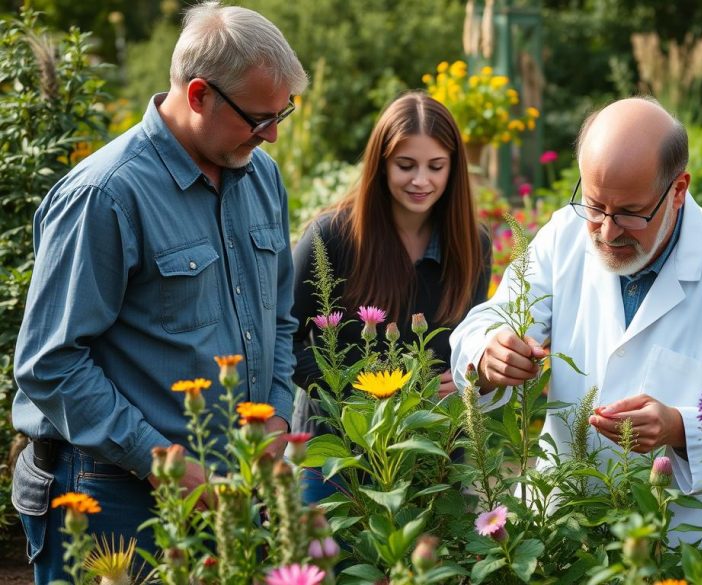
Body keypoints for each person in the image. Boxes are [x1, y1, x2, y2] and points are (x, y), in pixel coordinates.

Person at [11, 2, 306, 580]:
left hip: (227, 491)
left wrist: (270, 416)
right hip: (108, 497)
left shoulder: (259, 175)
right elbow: (50, 364)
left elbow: (279, 316)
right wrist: (165, 464)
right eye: (258, 118)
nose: (271, 135)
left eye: (283, 115)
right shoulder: (106, 195)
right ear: (199, 95)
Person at [450, 97, 702, 546]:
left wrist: (680, 427)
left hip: (677, 544)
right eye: (595, 206)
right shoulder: (562, 235)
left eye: (631, 213)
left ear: (678, 190)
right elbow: (493, 318)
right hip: (563, 531)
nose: (607, 230)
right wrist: (489, 353)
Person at [291, 91, 491, 503]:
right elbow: (283, 336)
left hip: (433, 454)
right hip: (337, 453)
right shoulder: (331, 238)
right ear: (380, 164)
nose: (421, 180)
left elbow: (471, 341)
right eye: (405, 165)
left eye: (436, 166)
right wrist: (354, 390)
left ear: (454, 169)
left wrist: (469, 377)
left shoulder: (473, 246)